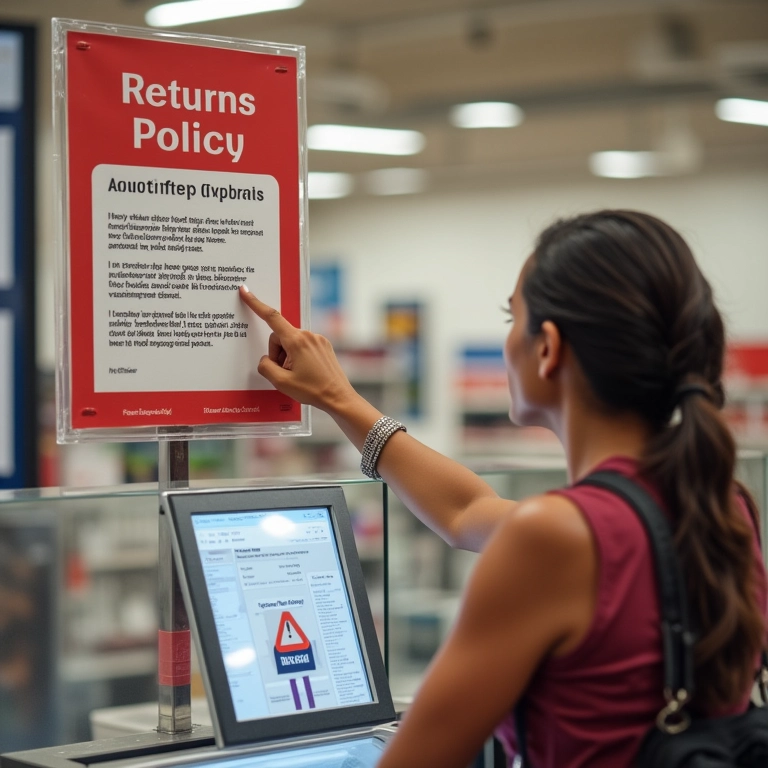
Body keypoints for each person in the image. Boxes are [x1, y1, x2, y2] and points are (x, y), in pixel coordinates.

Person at [238, 209, 768, 768]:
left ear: (548, 348)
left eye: (511, 316)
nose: (508, 335)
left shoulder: (558, 537)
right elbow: (469, 509)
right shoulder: (722, 503)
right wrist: (340, 399)